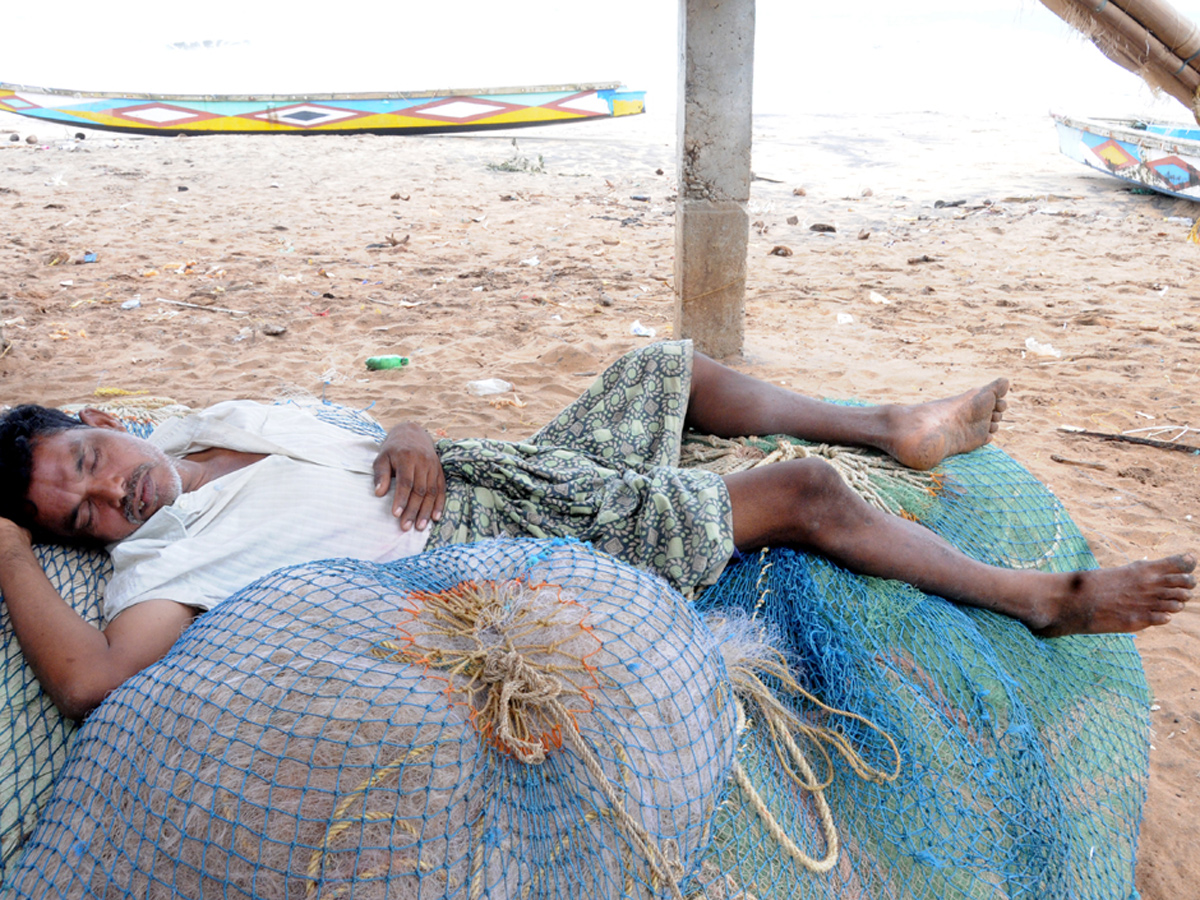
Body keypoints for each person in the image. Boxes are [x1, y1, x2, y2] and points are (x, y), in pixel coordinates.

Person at [0, 341, 1193, 721]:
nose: (115, 504)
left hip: (481, 464)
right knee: (794, 494)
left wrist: (408, 420)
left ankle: (889, 422)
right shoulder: (159, 562)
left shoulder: (198, 417)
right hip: (491, 534)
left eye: (91, 465)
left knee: (666, 368)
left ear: (104, 421)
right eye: (83, 520)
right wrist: (12, 555)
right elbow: (96, 683)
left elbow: (352, 413)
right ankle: (1037, 595)